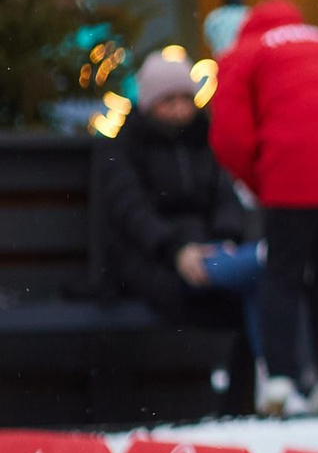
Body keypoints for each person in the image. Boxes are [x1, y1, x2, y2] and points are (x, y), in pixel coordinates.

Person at [208, 0, 318, 417]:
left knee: (282, 272)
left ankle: (280, 385)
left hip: (293, 170)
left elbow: (229, 136)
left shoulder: (244, 52)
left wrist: (258, 183)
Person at [96, 49, 261, 409]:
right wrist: (176, 251)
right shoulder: (123, 147)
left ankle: (247, 401)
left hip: (207, 253)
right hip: (150, 259)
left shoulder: (204, 141)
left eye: (185, 99)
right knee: (249, 293)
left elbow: (225, 198)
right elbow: (131, 212)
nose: (179, 109)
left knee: (265, 293)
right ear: (150, 103)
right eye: (167, 100)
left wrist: (227, 239)